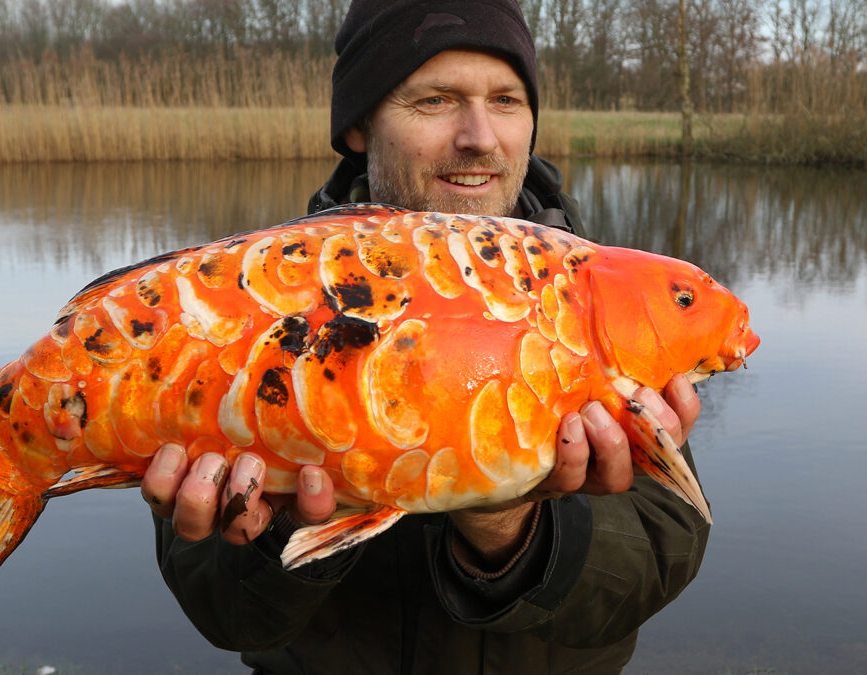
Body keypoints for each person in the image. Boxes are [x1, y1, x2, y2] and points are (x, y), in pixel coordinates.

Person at [141, 1, 710, 672]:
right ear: (358, 124)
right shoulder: (255, 303)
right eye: (435, 100)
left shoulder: (606, 301)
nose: (480, 136)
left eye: (505, 100)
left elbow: (659, 558)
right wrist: (289, 526)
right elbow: (223, 612)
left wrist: (510, 526)